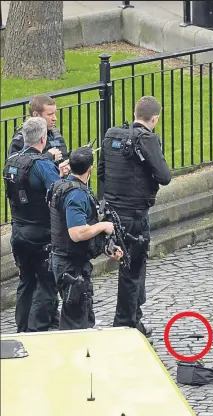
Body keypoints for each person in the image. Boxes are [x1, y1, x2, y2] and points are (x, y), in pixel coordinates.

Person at [97, 96, 172, 339]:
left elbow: (101, 172)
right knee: (132, 269)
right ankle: (126, 325)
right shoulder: (147, 138)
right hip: (135, 215)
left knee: (133, 267)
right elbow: (164, 175)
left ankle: (134, 317)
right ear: (155, 119)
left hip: (114, 211)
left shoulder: (111, 135)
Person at [10, 95, 69, 329]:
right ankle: (35, 330)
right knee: (44, 282)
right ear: (36, 116)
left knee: (28, 281)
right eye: (49, 114)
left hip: (22, 227)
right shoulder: (24, 145)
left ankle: (25, 328)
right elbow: (53, 189)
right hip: (39, 226)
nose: (54, 118)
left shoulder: (53, 135)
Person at [48, 147, 123, 330]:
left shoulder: (60, 184)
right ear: (90, 169)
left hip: (68, 261)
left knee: (83, 316)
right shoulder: (76, 194)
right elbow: (77, 233)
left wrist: (107, 248)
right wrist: (103, 226)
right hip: (71, 265)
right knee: (75, 322)